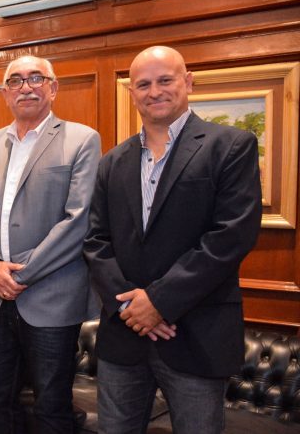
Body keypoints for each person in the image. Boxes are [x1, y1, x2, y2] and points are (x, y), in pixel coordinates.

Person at [83, 46, 262, 434]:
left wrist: (159, 303)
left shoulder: (231, 146)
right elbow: (96, 241)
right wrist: (132, 307)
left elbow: (230, 237)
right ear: (132, 92)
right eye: (143, 84)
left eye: (165, 80)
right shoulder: (112, 161)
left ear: (188, 82)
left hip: (195, 334)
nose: (154, 91)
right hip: (124, 335)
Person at [0, 55, 101, 434]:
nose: (26, 87)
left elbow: (78, 220)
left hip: (51, 298)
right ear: (5, 93)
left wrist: (22, 275)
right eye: (16, 80)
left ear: (53, 88)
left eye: (36, 78)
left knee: (52, 409)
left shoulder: (82, 139)